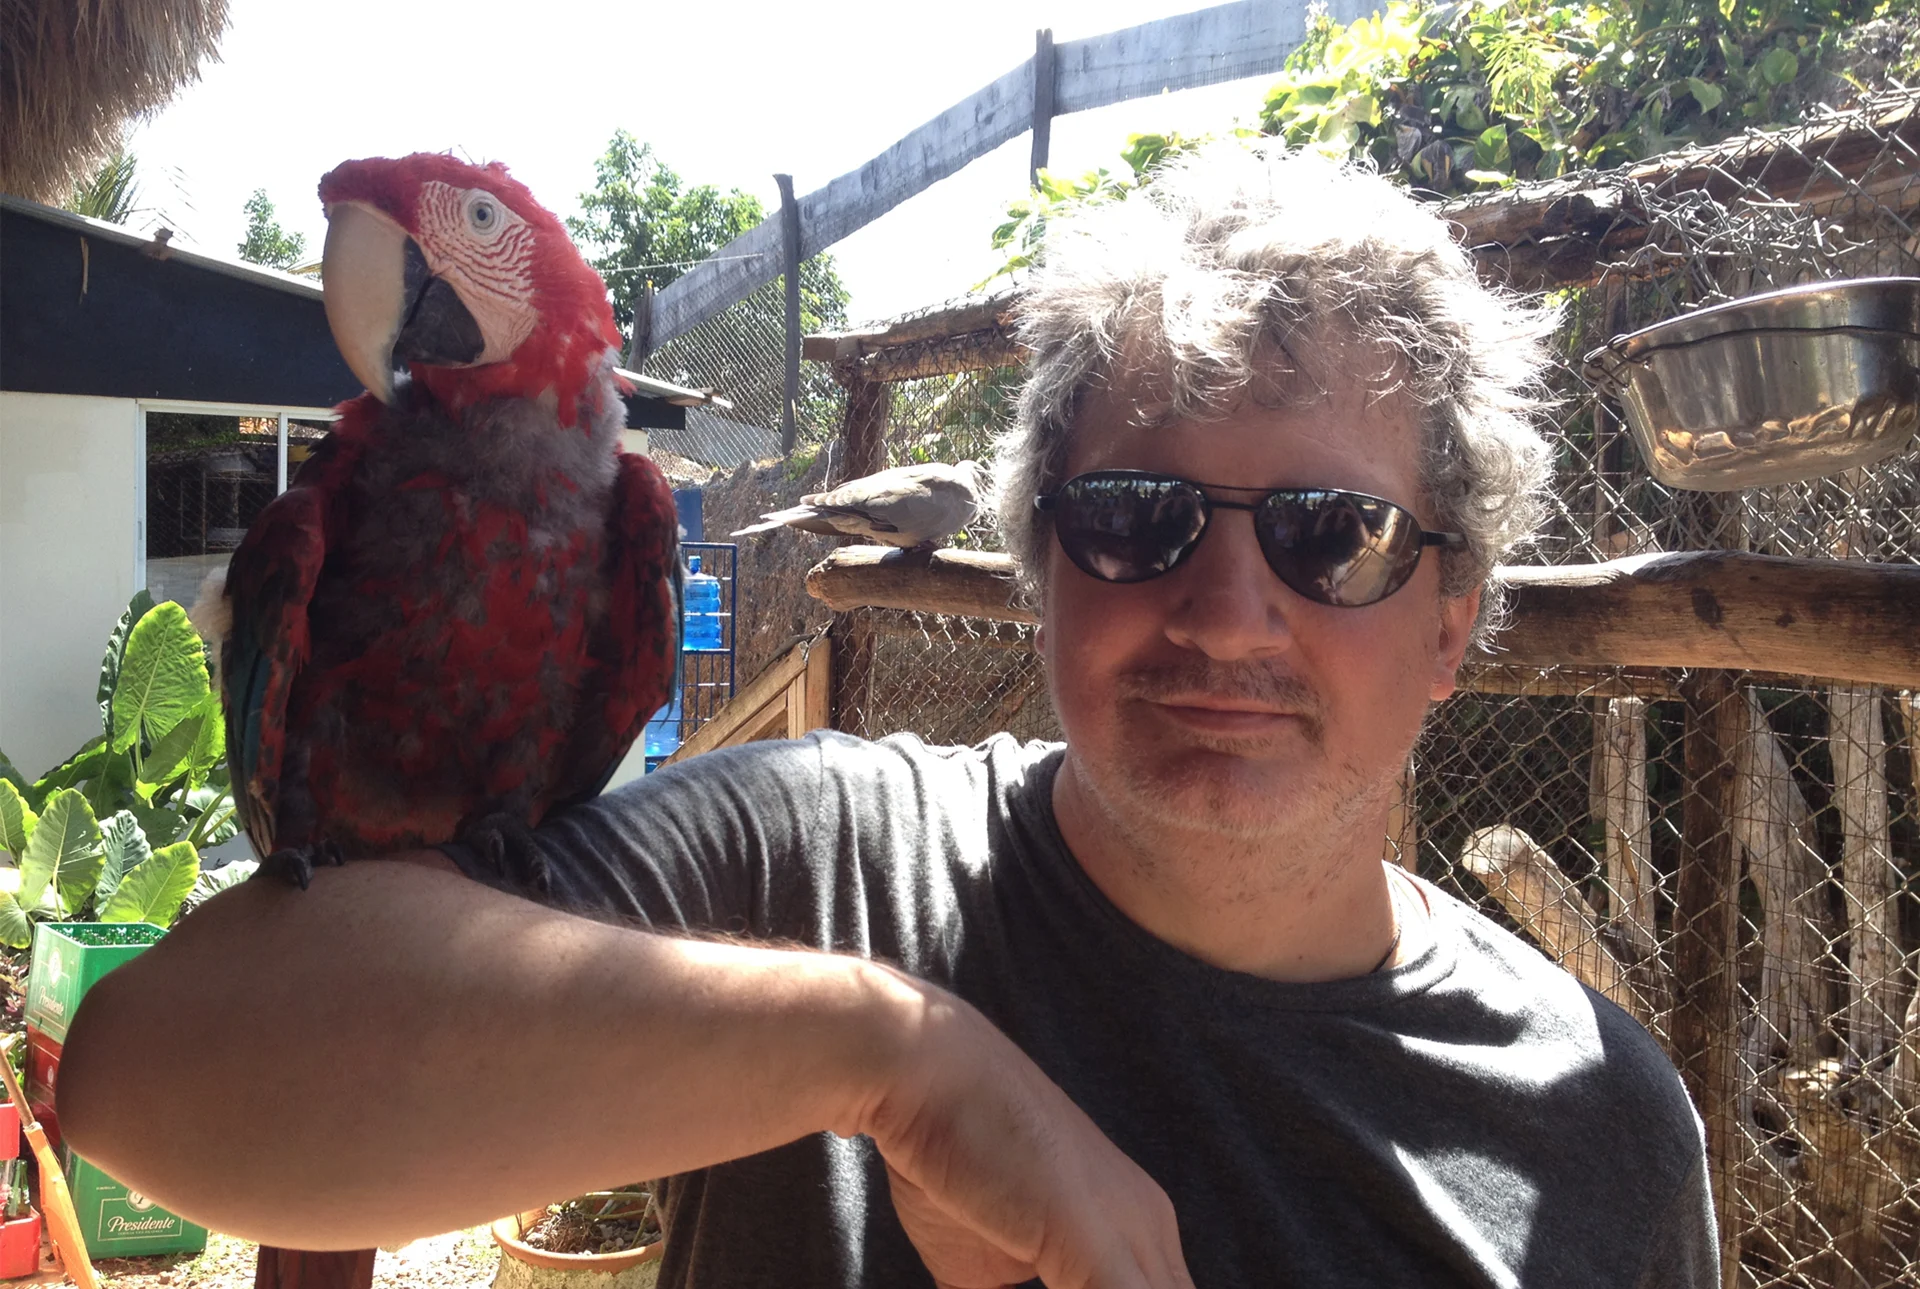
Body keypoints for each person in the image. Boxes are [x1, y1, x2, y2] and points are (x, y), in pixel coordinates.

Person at [57, 143, 1717, 1289]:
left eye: (1331, 534)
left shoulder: (1607, 1133)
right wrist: (894, 1062)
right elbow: (143, 1080)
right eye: (1136, 515)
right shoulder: (806, 868)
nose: (1225, 615)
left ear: (1454, 619)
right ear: (1033, 569)